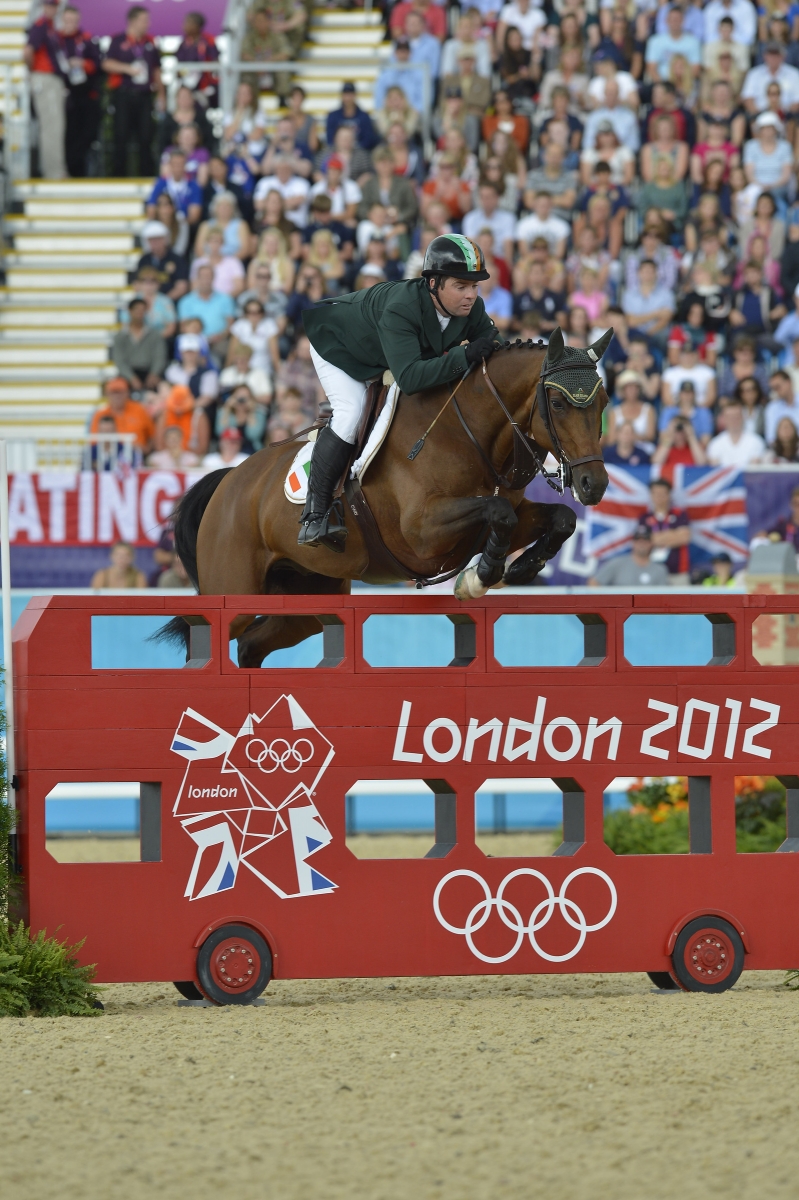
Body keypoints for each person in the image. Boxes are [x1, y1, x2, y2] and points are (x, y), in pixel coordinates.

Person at [299, 234, 504, 552]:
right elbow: (409, 378)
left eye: (475, 286)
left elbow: (491, 342)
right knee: (351, 413)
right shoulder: (402, 308)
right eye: (461, 286)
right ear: (434, 283)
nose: (470, 295)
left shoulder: (470, 308)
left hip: (381, 354)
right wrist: (464, 356)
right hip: (338, 345)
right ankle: (315, 514)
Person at [102, 5, 163, 178]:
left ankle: (147, 176)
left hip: (144, 96)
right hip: (123, 94)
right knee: (121, 136)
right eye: (144, 20)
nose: (148, 24)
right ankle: (118, 177)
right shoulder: (118, 40)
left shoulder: (150, 42)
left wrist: (161, 95)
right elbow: (106, 64)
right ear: (133, 21)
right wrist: (127, 69)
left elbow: (157, 70)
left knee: (146, 137)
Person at [25, 0, 67, 180]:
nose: (52, 8)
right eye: (49, 5)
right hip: (44, 78)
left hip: (51, 79)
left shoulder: (50, 27)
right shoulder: (41, 25)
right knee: (51, 127)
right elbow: (27, 51)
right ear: (43, 6)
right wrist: (35, 72)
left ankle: (55, 168)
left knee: (55, 127)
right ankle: (52, 172)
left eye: (55, 5)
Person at [59, 4, 102, 179]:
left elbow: (99, 64)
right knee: (69, 134)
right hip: (66, 95)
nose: (71, 24)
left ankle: (79, 170)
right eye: (67, 20)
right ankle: (71, 169)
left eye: (74, 20)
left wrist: (83, 64)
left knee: (88, 133)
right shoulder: (56, 40)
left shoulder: (86, 39)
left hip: (86, 94)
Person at [177, 264, 237, 357]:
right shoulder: (186, 301)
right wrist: (199, 339)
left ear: (213, 278)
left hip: (219, 341)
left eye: (209, 276)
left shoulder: (225, 299)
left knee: (225, 351)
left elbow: (231, 324)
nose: (206, 279)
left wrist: (220, 336)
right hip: (194, 341)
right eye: (203, 276)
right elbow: (183, 326)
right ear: (197, 278)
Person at [111, 298, 167, 393]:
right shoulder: (120, 336)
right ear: (130, 311)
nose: (139, 313)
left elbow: (160, 357)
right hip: (127, 374)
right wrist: (131, 378)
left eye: (142, 310)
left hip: (149, 372)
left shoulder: (154, 335)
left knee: (163, 388)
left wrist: (154, 374)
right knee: (117, 388)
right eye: (137, 309)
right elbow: (119, 360)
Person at [642, 478, 692, 581]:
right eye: (656, 493)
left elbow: (684, 537)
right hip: (652, 572)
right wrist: (673, 535)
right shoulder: (644, 517)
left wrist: (656, 538)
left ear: (669, 494)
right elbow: (645, 541)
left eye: (662, 493)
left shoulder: (679, 514)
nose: (659, 497)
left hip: (678, 573)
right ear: (651, 495)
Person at [89, 377, 155, 456]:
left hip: (139, 455)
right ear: (107, 394)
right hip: (110, 456)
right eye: (113, 392)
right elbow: (94, 441)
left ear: (127, 392)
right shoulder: (100, 414)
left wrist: (147, 450)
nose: (117, 396)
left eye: (120, 392)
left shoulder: (139, 409)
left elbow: (152, 435)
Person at [590, 525, 670, 587]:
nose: (641, 544)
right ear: (633, 543)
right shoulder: (617, 564)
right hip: (621, 607)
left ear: (651, 543)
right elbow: (594, 582)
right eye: (638, 540)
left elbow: (662, 598)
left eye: (645, 540)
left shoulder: (660, 570)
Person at [175, 11, 219, 108]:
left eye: (188, 23)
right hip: (187, 86)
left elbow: (215, 62)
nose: (184, 26)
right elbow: (179, 65)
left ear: (196, 25)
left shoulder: (208, 41)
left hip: (206, 86)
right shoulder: (183, 43)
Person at [136, 220, 189, 301]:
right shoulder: (143, 260)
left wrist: (163, 301)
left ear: (165, 239)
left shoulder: (177, 259)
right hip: (147, 303)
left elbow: (182, 286)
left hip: (172, 303)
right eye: (152, 240)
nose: (155, 243)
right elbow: (137, 284)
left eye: (158, 239)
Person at [707, 396, 767, 466]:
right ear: (724, 418)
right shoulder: (715, 444)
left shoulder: (756, 441)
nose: (734, 420)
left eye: (736, 416)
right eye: (730, 417)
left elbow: (754, 471)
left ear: (743, 417)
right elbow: (715, 471)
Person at [325, 82, 379, 152]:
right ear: (342, 96)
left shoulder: (364, 117)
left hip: (360, 153)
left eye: (350, 94)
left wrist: (355, 149)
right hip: (338, 152)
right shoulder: (333, 116)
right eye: (345, 94)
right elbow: (330, 139)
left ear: (355, 95)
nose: (348, 98)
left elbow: (368, 140)